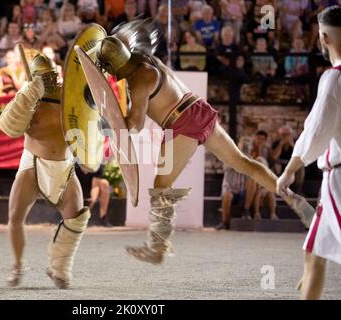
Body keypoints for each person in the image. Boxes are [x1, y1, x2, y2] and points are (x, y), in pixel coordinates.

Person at [92, 19, 304, 264]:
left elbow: (135, 126)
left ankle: (157, 248)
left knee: (162, 184)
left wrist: (108, 122)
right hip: (198, 109)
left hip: (182, 122)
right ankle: (288, 194)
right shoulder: (144, 58)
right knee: (242, 162)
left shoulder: (137, 80)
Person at [0, 52, 90, 289]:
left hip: (64, 164)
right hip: (33, 162)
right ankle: (17, 266)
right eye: (45, 76)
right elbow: (9, 127)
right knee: (15, 217)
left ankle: (58, 268)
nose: (50, 80)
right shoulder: (27, 97)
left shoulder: (69, 94)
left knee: (76, 219)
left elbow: (86, 121)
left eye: (52, 75)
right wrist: (29, 96)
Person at [277, 6, 341, 300]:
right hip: (332, 180)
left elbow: (316, 132)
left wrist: (290, 169)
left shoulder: (333, 78)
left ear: (323, 37)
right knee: (314, 250)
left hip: (339, 177)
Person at [271, 125, 305, 194]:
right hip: (279, 166)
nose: (285, 137)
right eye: (283, 135)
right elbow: (274, 157)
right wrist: (281, 144)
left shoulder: (296, 143)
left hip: (292, 166)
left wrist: (292, 145)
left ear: (291, 135)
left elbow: (300, 156)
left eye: (287, 135)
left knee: (300, 166)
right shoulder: (276, 143)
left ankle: (298, 190)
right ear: (280, 135)